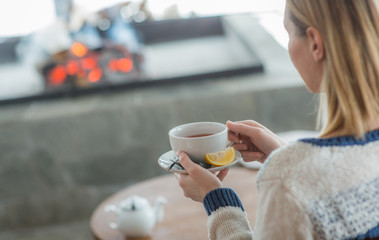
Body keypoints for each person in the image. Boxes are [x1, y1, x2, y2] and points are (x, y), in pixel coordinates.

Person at [176, 0, 379, 239]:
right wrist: (286, 155)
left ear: (315, 43)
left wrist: (216, 198)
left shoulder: (285, 180)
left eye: (289, 34)